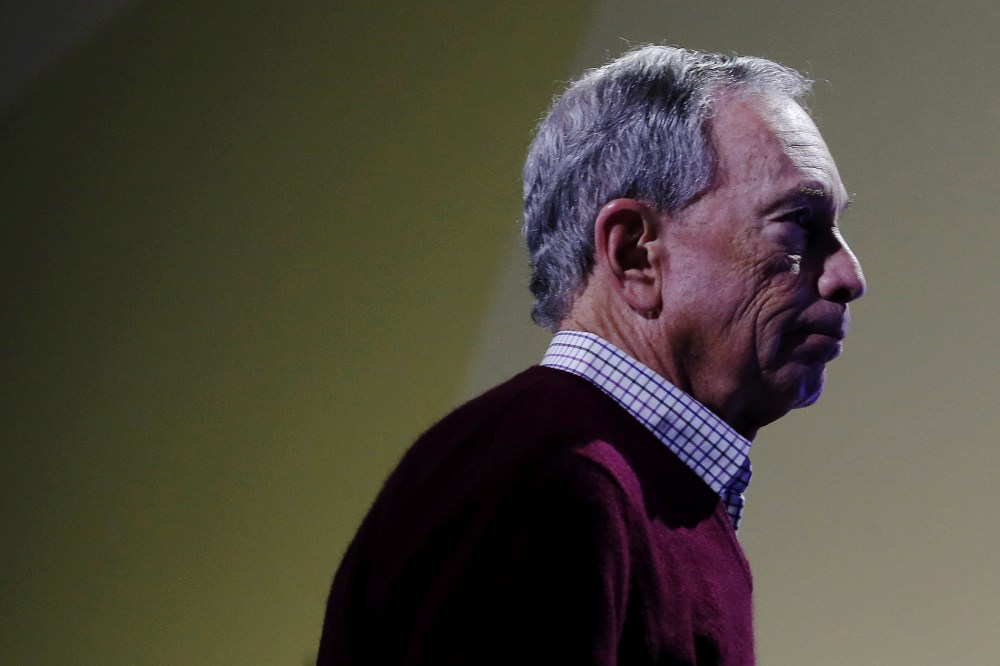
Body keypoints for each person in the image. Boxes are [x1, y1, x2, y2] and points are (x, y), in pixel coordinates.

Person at [317, 45, 866, 665]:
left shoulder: (633, 485)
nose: (849, 275)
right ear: (635, 253)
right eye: (798, 223)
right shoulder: (548, 478)